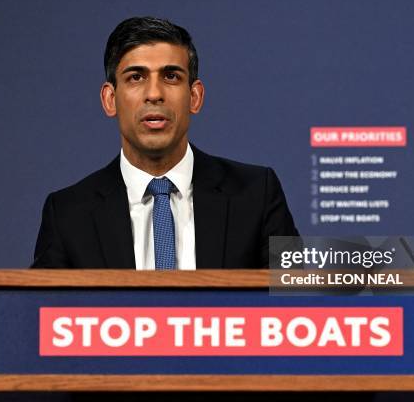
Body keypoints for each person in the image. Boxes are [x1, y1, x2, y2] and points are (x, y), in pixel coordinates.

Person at [32, 16, 298, 270]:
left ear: (194, 96)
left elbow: (302, 304)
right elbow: (35, 312)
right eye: (136, 77)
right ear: (110, 99)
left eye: (171, 76)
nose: (155, 94)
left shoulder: (256, 195)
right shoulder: (68, 214)